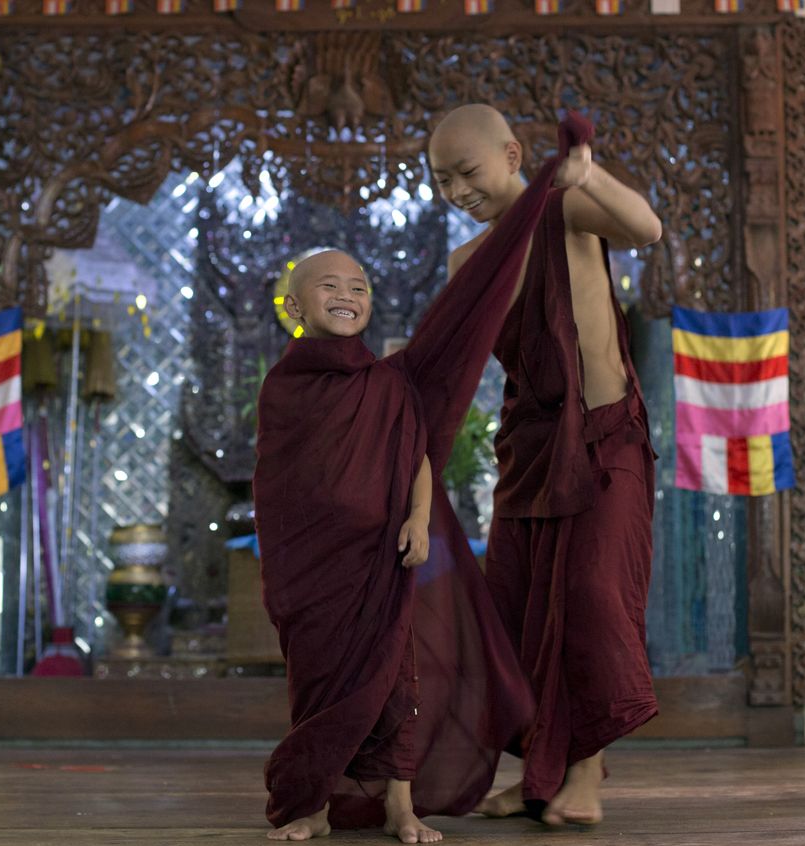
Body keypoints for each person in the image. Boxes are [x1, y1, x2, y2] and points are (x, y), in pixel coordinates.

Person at [253, 114, 592, 843]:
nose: (347, 293)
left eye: (360, 284)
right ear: (295, 306)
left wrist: (415, 518)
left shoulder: (389, 380)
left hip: (384, 553)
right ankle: (310, 804)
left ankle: (401, 806)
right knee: (318, 683)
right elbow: (277, 485)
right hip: (315, 571)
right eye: (327, 285)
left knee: (397, 684)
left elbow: (414, 452)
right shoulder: (283, 388)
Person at [429, 104, 663, 825]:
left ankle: (586, 772)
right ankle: (538, 774)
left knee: (592, 595)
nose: (456, 191)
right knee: (515, 614)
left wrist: (591, 174)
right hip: (528, 452)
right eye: (440, 181)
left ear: (509, 154)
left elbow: (647, 229)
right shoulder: (467, 262)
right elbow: (449, 363)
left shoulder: (565, 211)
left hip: (604, 440)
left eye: (465, 172)